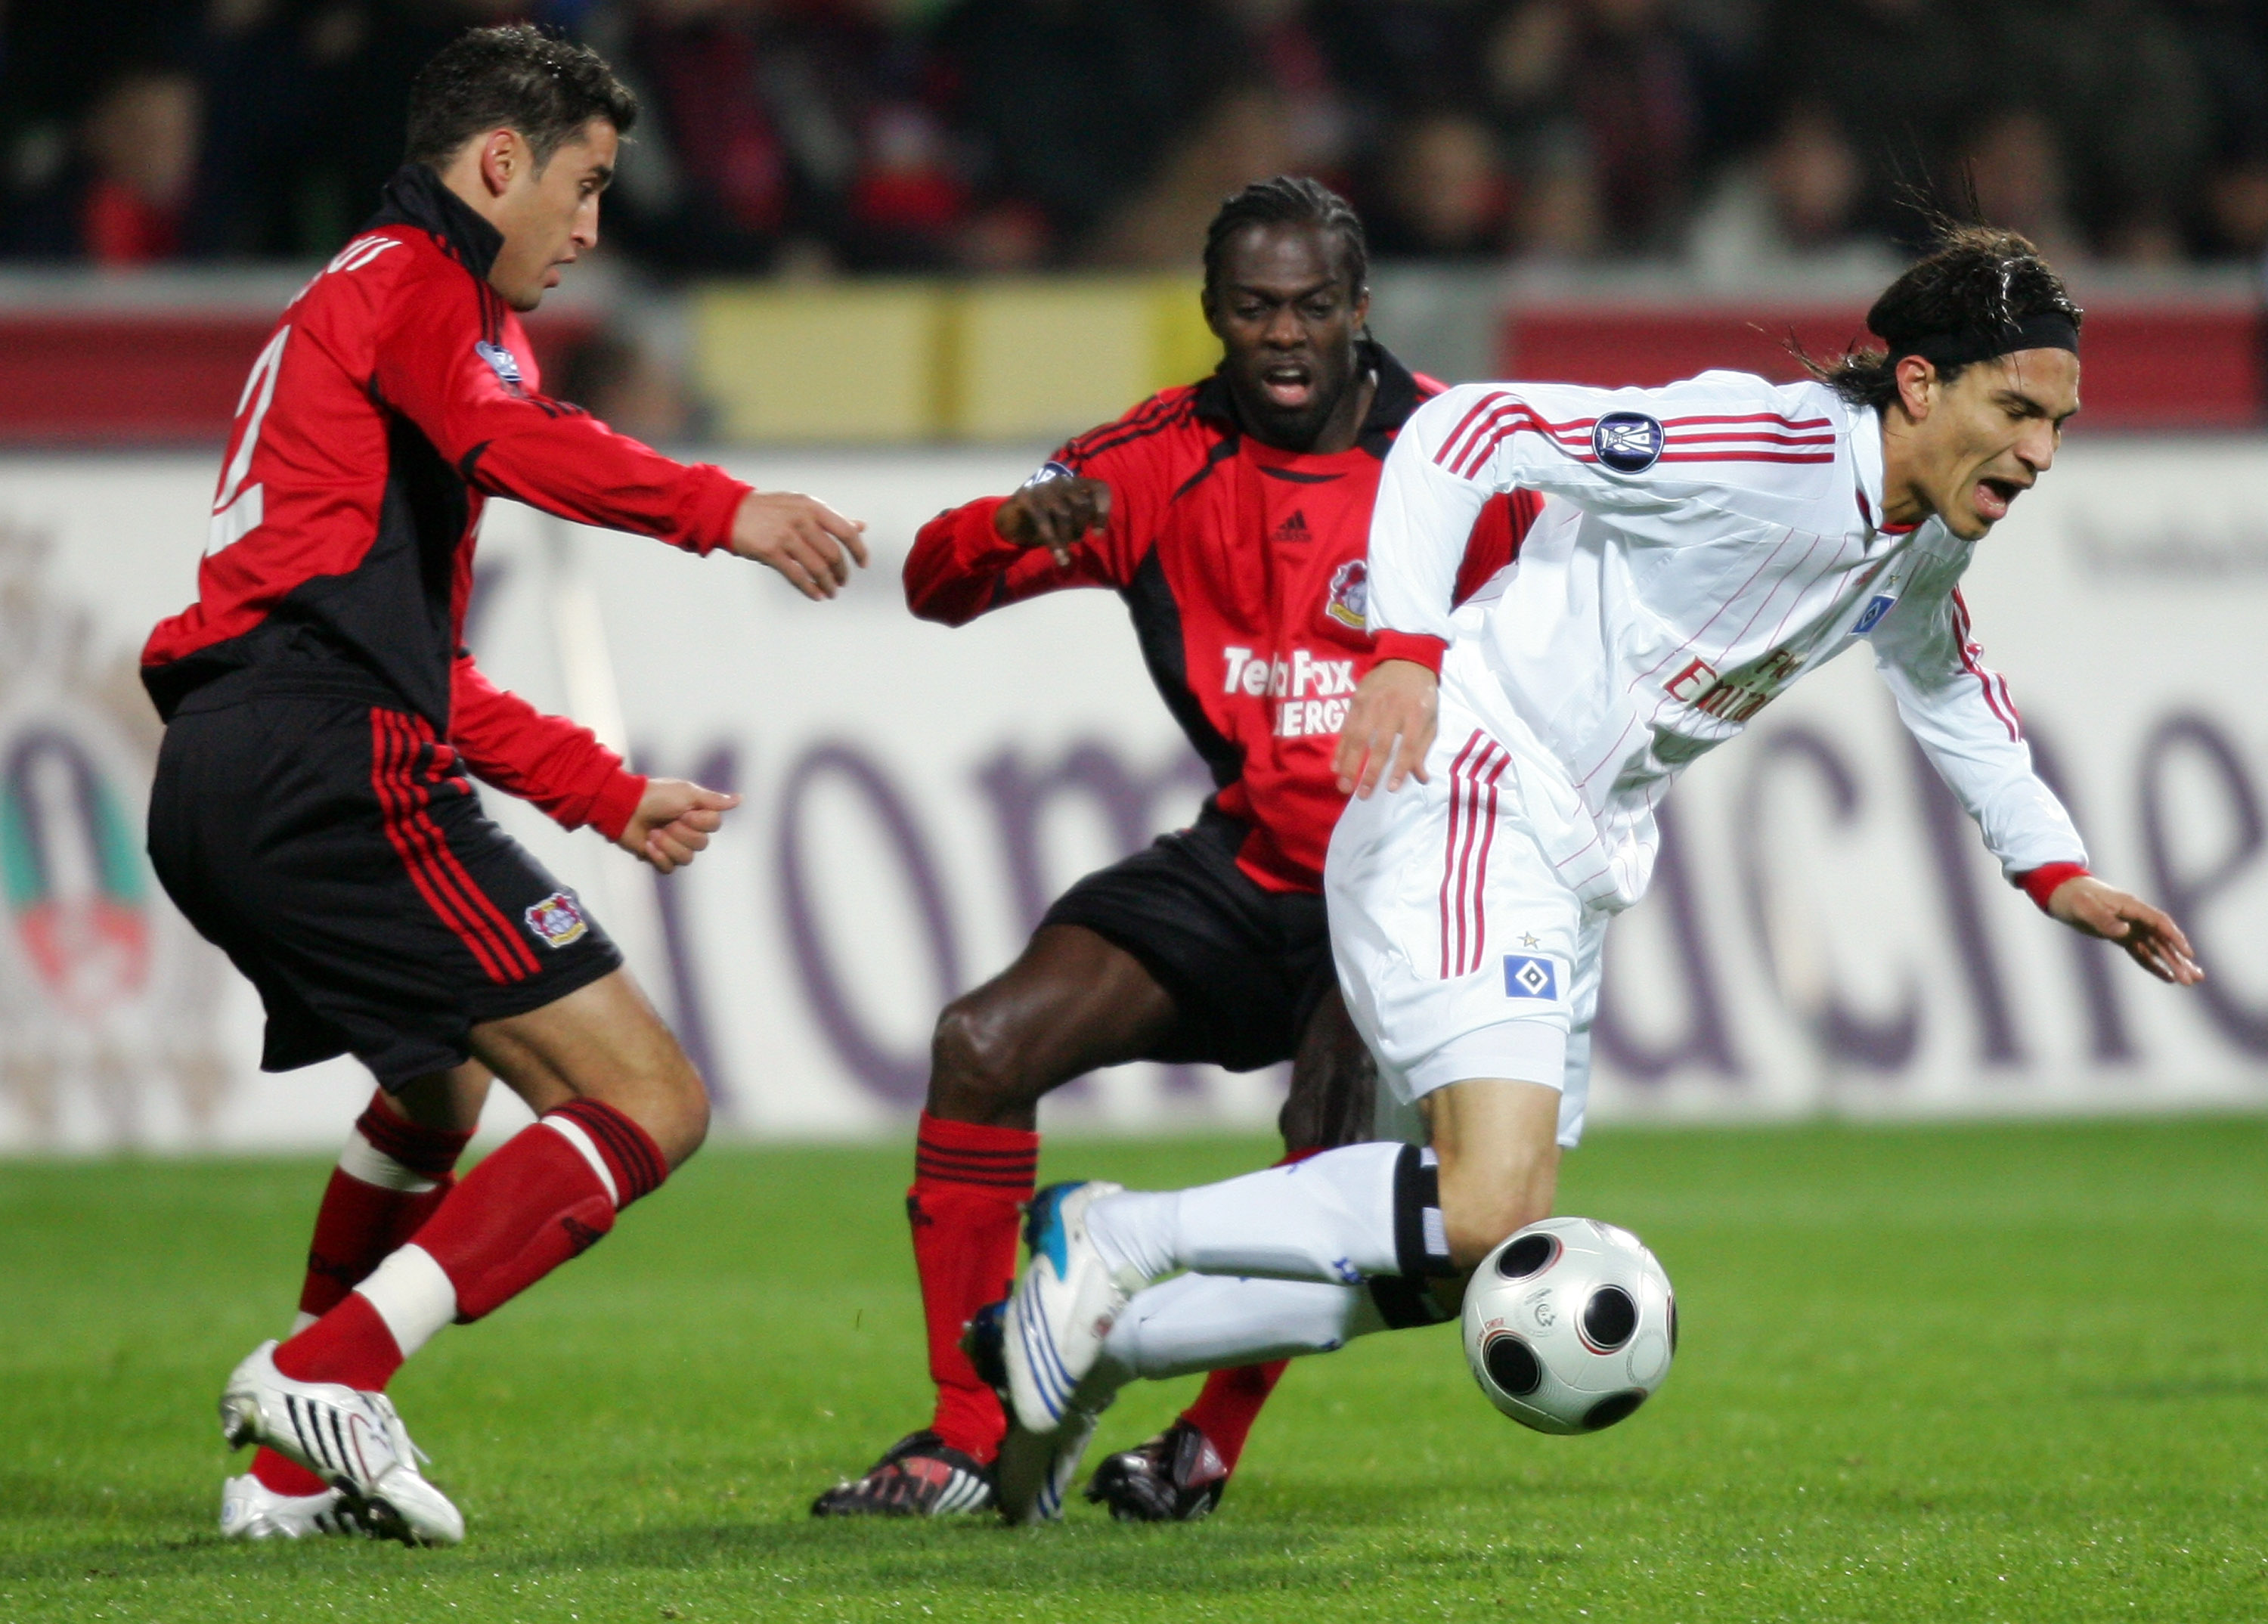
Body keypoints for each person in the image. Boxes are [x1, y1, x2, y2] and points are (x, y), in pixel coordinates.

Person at [990, 224, 2207, 1484]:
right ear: (1918, 384)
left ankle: (1112, 1342)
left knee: (1456, 1254)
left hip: (1574, 853)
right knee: (1489, 1211)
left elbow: (1947, 678)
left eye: (2059, 424)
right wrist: (1405, 649)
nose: (2041, 453)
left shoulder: (1927, 529)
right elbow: (1464, 430)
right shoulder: (1765, 448)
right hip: (1474, 788)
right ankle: (1115, 1237)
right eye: (2017, 411)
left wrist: (2055, 868)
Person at [141, 25, 868, 1545]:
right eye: (583, 187)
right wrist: (723, 507)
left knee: (440, 1084)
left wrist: (601, 791)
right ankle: (322, 1374)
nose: (592, 229)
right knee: (648, 1100)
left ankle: (289, 1477)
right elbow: (513, 441)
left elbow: (415, 656)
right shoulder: (426, 289)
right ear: (495, 164)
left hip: (225, 766)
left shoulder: (351, 297)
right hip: (329, 761)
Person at [812, 176, 1538, 1522]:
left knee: (1325, 1139)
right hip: (1249, 863)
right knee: (982, 1044)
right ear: (1210, 312)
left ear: (1360, 308)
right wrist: (1009, 527)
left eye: (1313, 307)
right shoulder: (1151, 456)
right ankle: (969, 1433)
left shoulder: (1459, 459)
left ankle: (1203, 1442)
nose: (1285, 336)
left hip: (1409, 884)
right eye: (1255, 308)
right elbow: (931, 586)